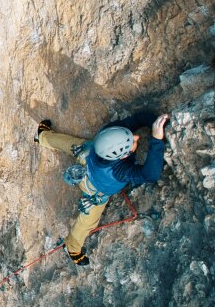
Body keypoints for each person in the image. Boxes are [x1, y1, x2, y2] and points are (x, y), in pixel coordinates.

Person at [36, 111, 170, 266]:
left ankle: (42, 137)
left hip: (87, 154)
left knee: (72, 144)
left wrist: (156, 123)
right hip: (94, 189)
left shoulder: (110, 133)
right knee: (87, 221)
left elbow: (137, 118)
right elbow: (150, 174)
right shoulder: (119, 172)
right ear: (122, 157)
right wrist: (157, 140)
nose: (137, 137)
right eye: (131, 142)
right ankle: (72, 248)